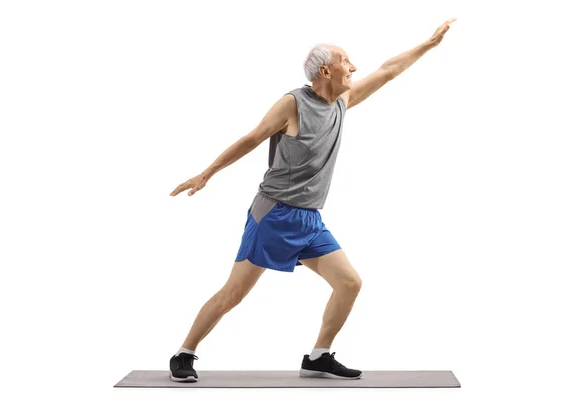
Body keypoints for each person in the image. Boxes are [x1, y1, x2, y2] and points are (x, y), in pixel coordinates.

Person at [168, 18, 456, 382]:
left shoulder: (342, 101)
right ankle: (184, 353)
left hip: (309, 220)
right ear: (325, 69)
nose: (353, 67)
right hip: (273, 213)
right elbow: (252, 138)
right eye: (346, 60)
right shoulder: (293, 103)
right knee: (234, 294)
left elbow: (388, 71)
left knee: (349, 283)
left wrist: (429, 44)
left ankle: (318, 355)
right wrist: (206, 173)